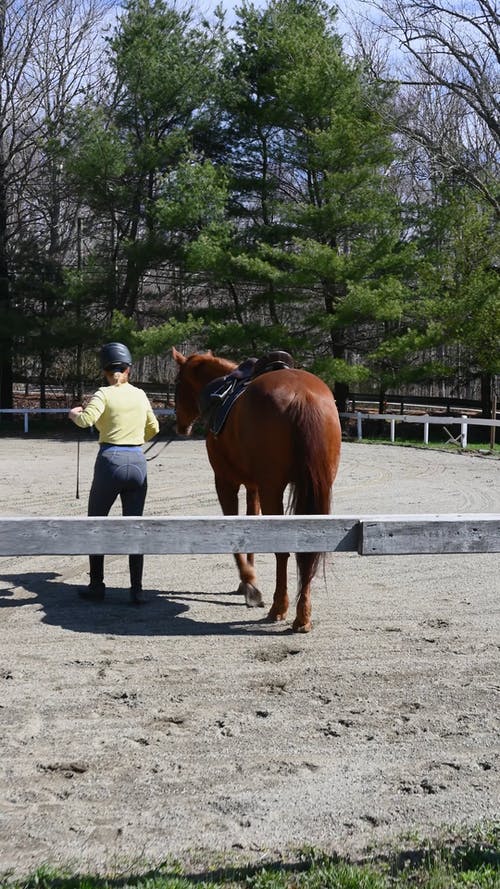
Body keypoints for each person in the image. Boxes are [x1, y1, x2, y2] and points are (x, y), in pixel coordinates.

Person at [68, 342, 159, 605]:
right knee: (135, 526)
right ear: (128, 369)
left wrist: (74, 414)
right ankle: (137, 590)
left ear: (105, 371)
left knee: (95, 524)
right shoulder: (140, 395)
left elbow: (86, 421)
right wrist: (133, 439)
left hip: (110, 461)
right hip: (137, 461)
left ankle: (97, 585)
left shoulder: (103, 394)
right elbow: (153, 428)